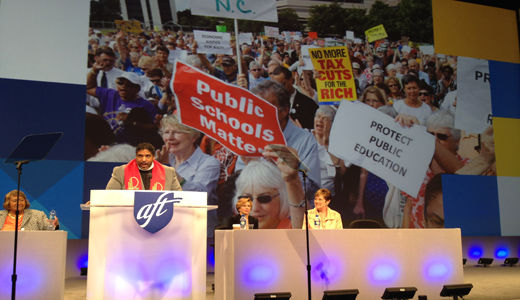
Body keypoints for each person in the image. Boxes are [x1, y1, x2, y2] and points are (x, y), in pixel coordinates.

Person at [233, 160, 303, 229]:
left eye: (264, 198)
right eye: (246, 199)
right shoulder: (232, 234)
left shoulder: (297, 230)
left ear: (282, 198)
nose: (255, 208)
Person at [86, 67, 157, 132]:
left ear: (137, 89)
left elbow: (155, 127)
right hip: (106, 140)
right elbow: (89, 88)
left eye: (129, 85)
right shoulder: (110, 94)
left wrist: (133, 123)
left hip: (128, 143)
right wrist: (94, 71)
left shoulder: (145, 105)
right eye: (120, 83)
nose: (123, 86)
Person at [106, 142, 181, 190]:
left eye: (147, 156)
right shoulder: (121, 171)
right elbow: (109, 196)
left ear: (153, 157)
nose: (144, 159)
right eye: (140, 156)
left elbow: (180, 198)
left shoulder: (168, 172)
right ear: (136, 157)